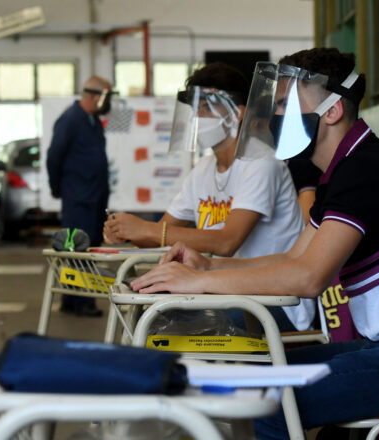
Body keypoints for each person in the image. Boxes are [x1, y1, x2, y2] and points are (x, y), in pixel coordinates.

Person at [131, 48, 379, 438]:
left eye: (284, 104)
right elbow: (294, 257)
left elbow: (308, 278)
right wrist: (206, 266)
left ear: (331, 111)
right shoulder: (345, 167)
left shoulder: (365, 169)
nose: (275, 116)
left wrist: (197, 283)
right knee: (258, 380)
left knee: (268, 399)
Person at [103, 63, 314, 332]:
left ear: (237, 113)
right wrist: (125, 231)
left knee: (162, 320)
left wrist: (146, 228)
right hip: (227, 290)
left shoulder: (262, 163)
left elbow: (226, 242)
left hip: (277, 301)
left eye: (207, 107)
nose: (197, 116)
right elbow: (162, 232)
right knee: (147, 310)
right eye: (195, 108)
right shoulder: (202, 170)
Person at [46, 76, 113, 318]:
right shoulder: (71, 120)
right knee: (77, 250)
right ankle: (80, 301)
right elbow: (54, 156)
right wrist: (57, 187)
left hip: (94, 198)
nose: (110, 102)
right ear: (95, 96)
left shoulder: (92, 121)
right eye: (108, 96)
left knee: (90, 248)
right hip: (78, 198)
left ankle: (73, 299)